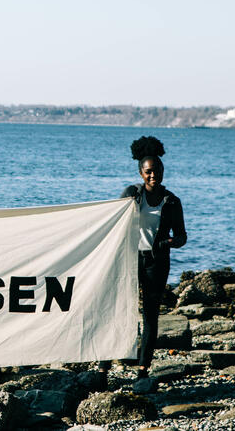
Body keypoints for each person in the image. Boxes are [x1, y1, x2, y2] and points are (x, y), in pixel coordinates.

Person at [100, 135, 187, 381]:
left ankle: (142, 369)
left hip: (156, 263)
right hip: (128, 260)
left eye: (157, 170)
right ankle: (103, 366)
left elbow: (181, 237)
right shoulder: (130, 194)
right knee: (116, 311)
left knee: (150, 315)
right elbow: (111, 220)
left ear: (162, 170)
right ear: (140, 173)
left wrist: (168, 242)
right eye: (148, 171)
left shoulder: (172, 201)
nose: (153, 175)